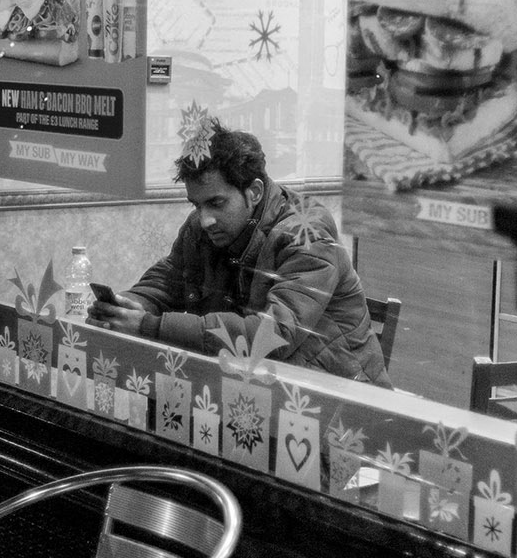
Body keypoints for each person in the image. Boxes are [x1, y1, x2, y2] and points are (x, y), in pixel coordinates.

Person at [89, 120, 391, 386]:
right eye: (197, 205)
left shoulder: (308, 233)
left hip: (340, 400)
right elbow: (169, 279)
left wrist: (149, 325)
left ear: (255, 192)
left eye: (217, 203)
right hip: (258, 386)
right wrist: (127, 306)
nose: (204, 219)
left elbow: (272, 336)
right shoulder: (202, 228)